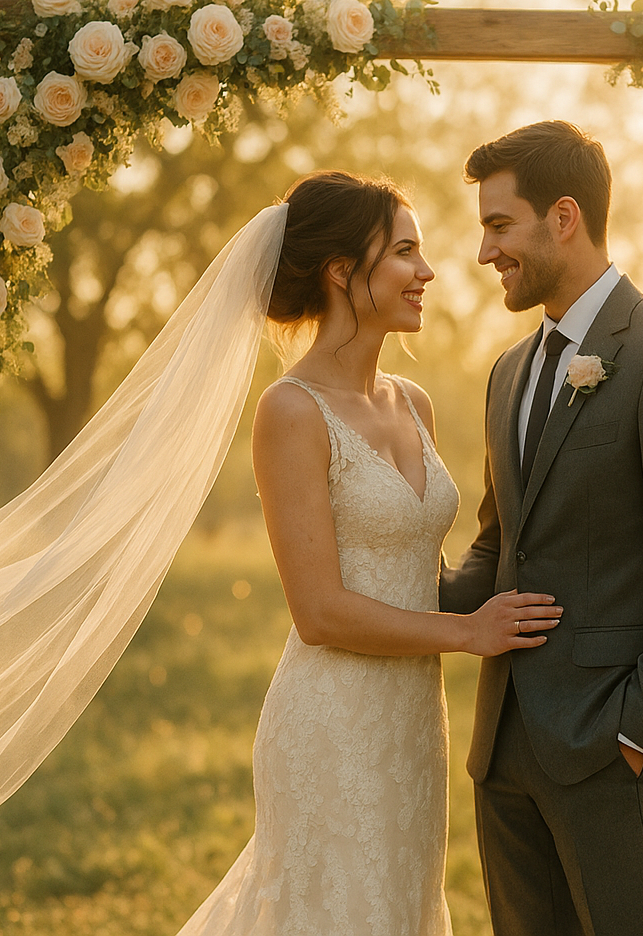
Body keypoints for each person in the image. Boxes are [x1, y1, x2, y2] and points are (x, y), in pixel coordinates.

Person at [177, 169, 562, 935]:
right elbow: (318, 612)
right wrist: (469, 633)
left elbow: (426, 563)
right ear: (342, 272)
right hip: (331, 721)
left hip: (415, 723)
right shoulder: (291, 410)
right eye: (405, 253)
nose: (428, 273)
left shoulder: (412, 403)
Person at [440, 122, 643, 936]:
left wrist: (640, 733)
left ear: (564, 217)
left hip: (613, 752)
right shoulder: (508, 372)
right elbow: (497, 546)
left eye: (498, 225)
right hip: (503, 751)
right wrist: (371, 590)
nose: (483, 253)